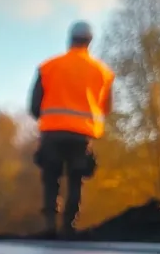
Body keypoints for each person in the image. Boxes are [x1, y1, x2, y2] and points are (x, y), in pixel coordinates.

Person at [29, 21, 115, 238]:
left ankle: (50, 224)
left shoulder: (49, 66)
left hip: (53, 132)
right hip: (82, 134)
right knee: (76, 178)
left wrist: (48, 119)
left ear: (70, 39)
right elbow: (106, 108)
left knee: (51, 177)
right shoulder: (102, 72)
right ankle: (69, 225)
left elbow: (34, 105)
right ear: (90, 41)